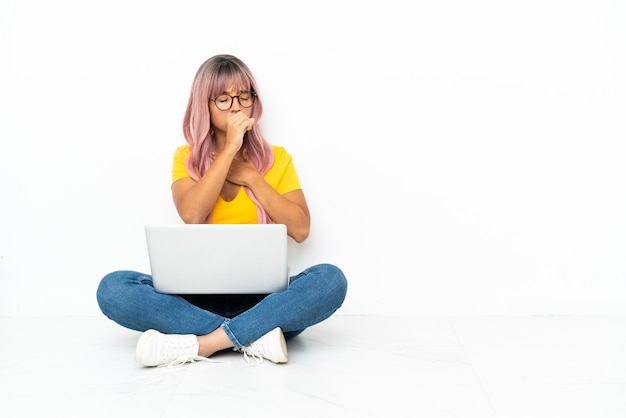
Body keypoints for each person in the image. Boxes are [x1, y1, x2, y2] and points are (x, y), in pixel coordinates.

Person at [96, 54, 348, 367]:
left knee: (330, 280)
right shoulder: (185, 158)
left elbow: (301, 229)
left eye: (244, 96)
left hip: (263, 300)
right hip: (196, 301)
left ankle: (205, 344)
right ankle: (254, 337)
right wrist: (229, 150)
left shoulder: (279, 159)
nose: (237, 106)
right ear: (205, 105)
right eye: (224, 99)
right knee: (114, 288)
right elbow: (192, 214)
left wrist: (253, 178)